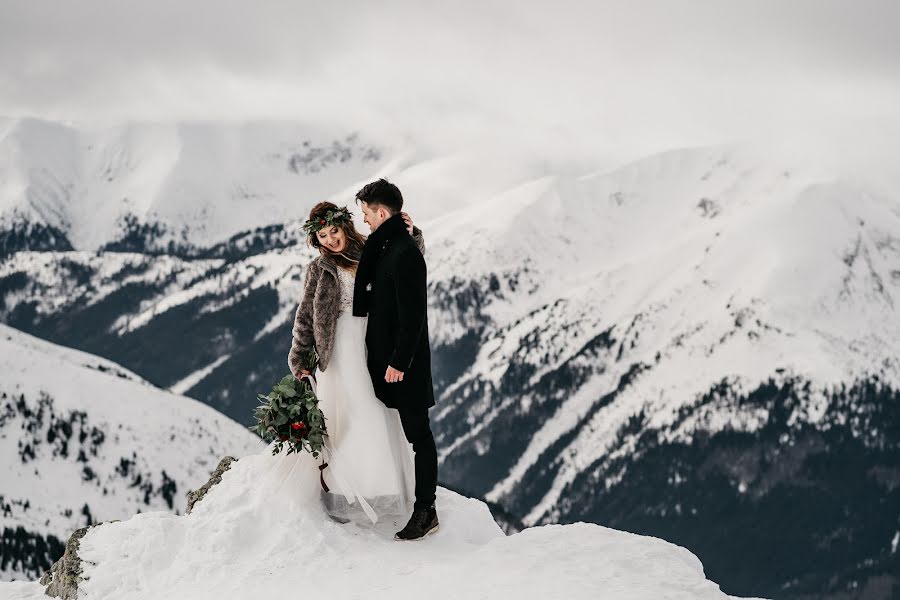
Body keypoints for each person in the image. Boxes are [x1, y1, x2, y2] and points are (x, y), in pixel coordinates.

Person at [287, 201, 425, 527]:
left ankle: (385, 488)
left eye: (334, 231)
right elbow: (306, 316)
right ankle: (348, 492)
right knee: (349, 418)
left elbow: (408, 262)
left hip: (375, 339)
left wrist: (412, 235)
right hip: (339, 352)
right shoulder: (318, 270)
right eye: (323, 236)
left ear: (344, 226)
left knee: (379, 411)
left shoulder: (373, 249)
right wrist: (301, 357)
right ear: (316, 240)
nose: (332, 239)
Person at [352, 178, 440, 541]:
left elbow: (413, 315)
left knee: (419, 436)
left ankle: (426, 510)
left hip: (406, 367)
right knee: (412, 433)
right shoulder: (388, 245)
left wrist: (399, 362)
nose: (365, 222)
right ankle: (418, 502)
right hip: (393, 362)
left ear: (382, 212)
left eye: (367, 215)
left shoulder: (404, 253)